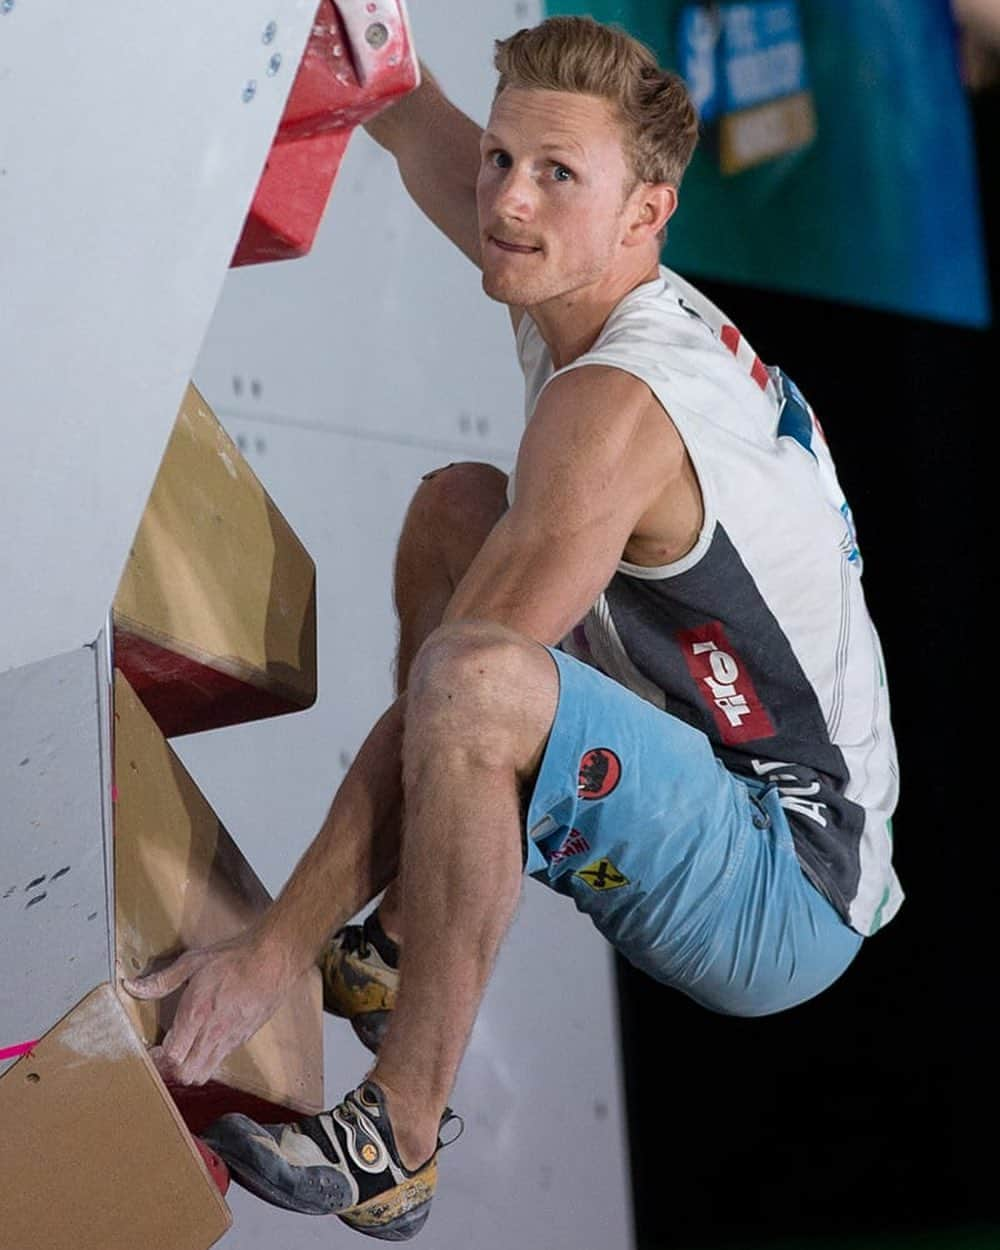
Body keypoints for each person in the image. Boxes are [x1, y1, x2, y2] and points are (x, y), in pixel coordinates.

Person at [125, 16, 902, 1241]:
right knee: (457, 512)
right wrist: (360, 36)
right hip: (690, 724)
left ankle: (402, 1137)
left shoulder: (617, 406)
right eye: (504, 160)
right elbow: (407, 116)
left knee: (474, 685)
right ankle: (396, 938)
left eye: (554, 176)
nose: (508, 202)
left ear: (646, 214)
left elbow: (461, 685)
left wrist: (278, 944)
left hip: (784, 879)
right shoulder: (563, 261)